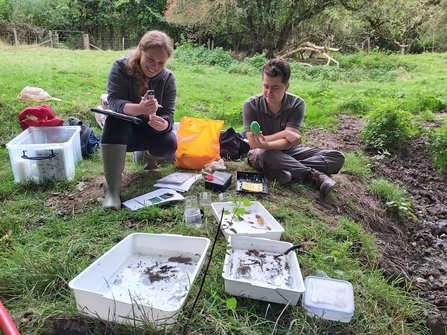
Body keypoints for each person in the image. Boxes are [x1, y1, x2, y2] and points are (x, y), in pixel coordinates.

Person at [243, 58, 345, 196]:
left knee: (337, 157)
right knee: (262, 154)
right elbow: (254, 143)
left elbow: (287, 143)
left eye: (275, 87)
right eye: (266, 86)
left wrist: (269, 142)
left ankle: (283, 169)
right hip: (263, 153)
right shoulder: (250, 105)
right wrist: (284, 133)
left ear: (286, 86)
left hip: (290, 151)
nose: (269, 92)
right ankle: (312, 175)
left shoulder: (297, 104)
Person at [101, 30, 177, 210]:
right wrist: (139, 109)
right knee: (113, 122)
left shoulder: (168, 79)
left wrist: (163, 124)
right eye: (150, 59)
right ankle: (112, 190)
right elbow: (115, 102)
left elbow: (169, 116)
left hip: (148, 129)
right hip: (122, 130)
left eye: (161, 63)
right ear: (140, 50)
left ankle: (149, 160)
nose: (155, 66)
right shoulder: (121, 67)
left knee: (169, 143)